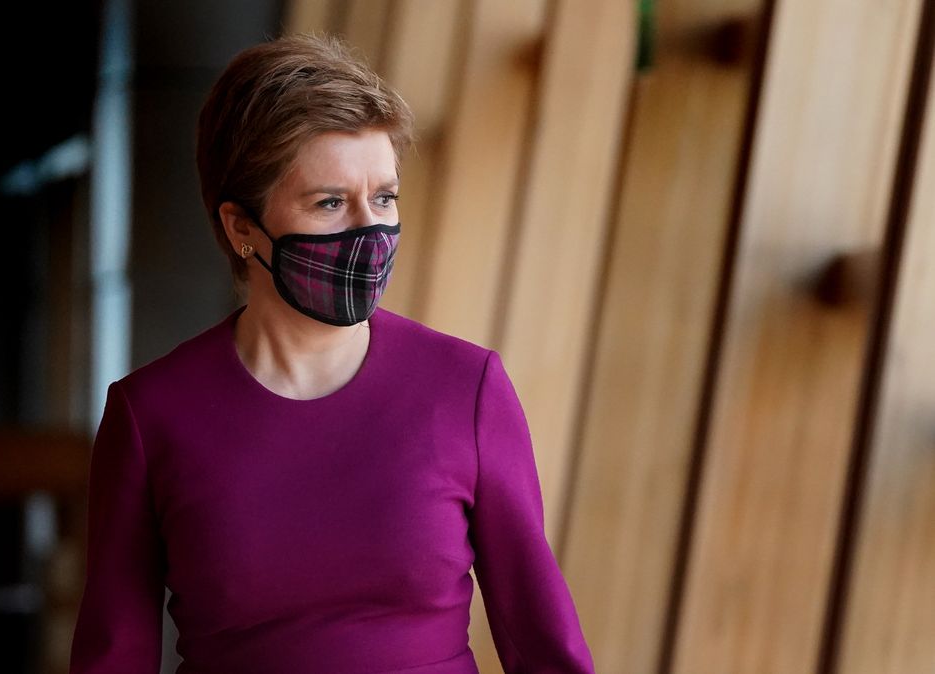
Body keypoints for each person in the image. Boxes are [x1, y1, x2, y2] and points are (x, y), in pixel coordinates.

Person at [69, 33, 596, 674]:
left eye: (384, 197)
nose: (368, 230)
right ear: (241, 227)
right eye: (328, 203)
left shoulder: (467, 389)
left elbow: (542, 643)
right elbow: (112, 658)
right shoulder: (151, 416)